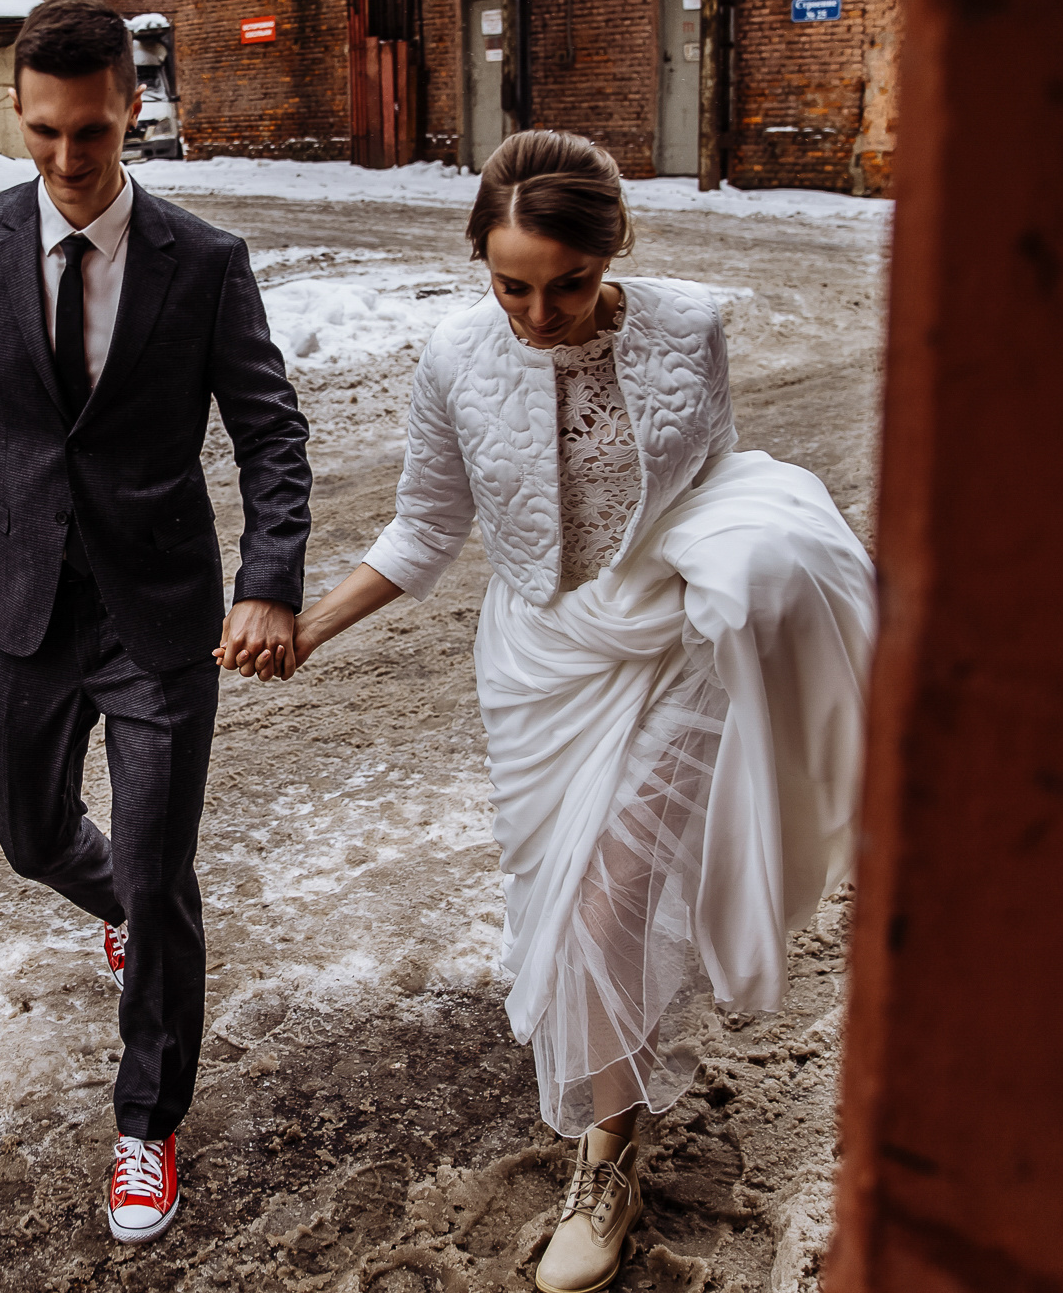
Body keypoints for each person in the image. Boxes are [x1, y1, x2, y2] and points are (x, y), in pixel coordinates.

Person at [286, 133, 874, 1293]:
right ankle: (621, 1094)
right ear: (480, 261)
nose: (539, 313)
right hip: (539, 670)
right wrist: (309, 626)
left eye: (568, 284)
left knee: (605, 908)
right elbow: (424, 529)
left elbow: (712, 479)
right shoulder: (455, 357)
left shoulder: (689, 330)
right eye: (512, 284)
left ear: (614, 255)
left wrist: (755, 565)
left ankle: (604, 1165)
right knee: (562, 908)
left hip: (670, 650)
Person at [0, 0, 313, 1246]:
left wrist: (271, 576)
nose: (65, 158)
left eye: (90, 131)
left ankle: (147, 1124)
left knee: (161, 876)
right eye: (43, 131)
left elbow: (270, 431)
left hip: (162, 616)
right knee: (30, 833)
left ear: (130, 108)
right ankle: (118, 915)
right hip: (25, 603)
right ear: (17, 112)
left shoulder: (201, 263)